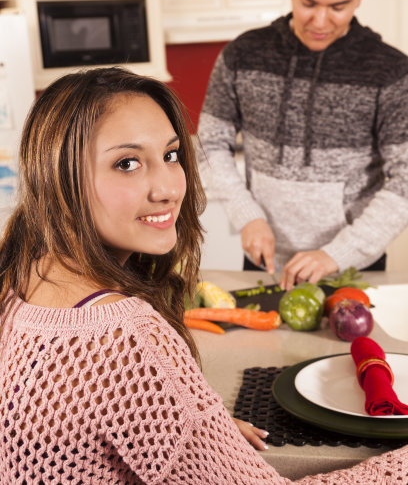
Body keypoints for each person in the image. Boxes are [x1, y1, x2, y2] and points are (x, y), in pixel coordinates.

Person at [0, 66, 407, 484]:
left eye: (171, 155)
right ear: (60, 179)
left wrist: (195, 430)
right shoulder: (124, 334)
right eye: (126, 163)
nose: (168, 188)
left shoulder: (19, 279)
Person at [197, 0, 408, 290]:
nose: (320, 21)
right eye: (307, 3)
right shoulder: (243, 55)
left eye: (338, 6)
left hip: (352, 267)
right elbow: (210, 143)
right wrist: (247, 217)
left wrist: (336, 254)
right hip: (264, 261)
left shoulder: (391, 72)